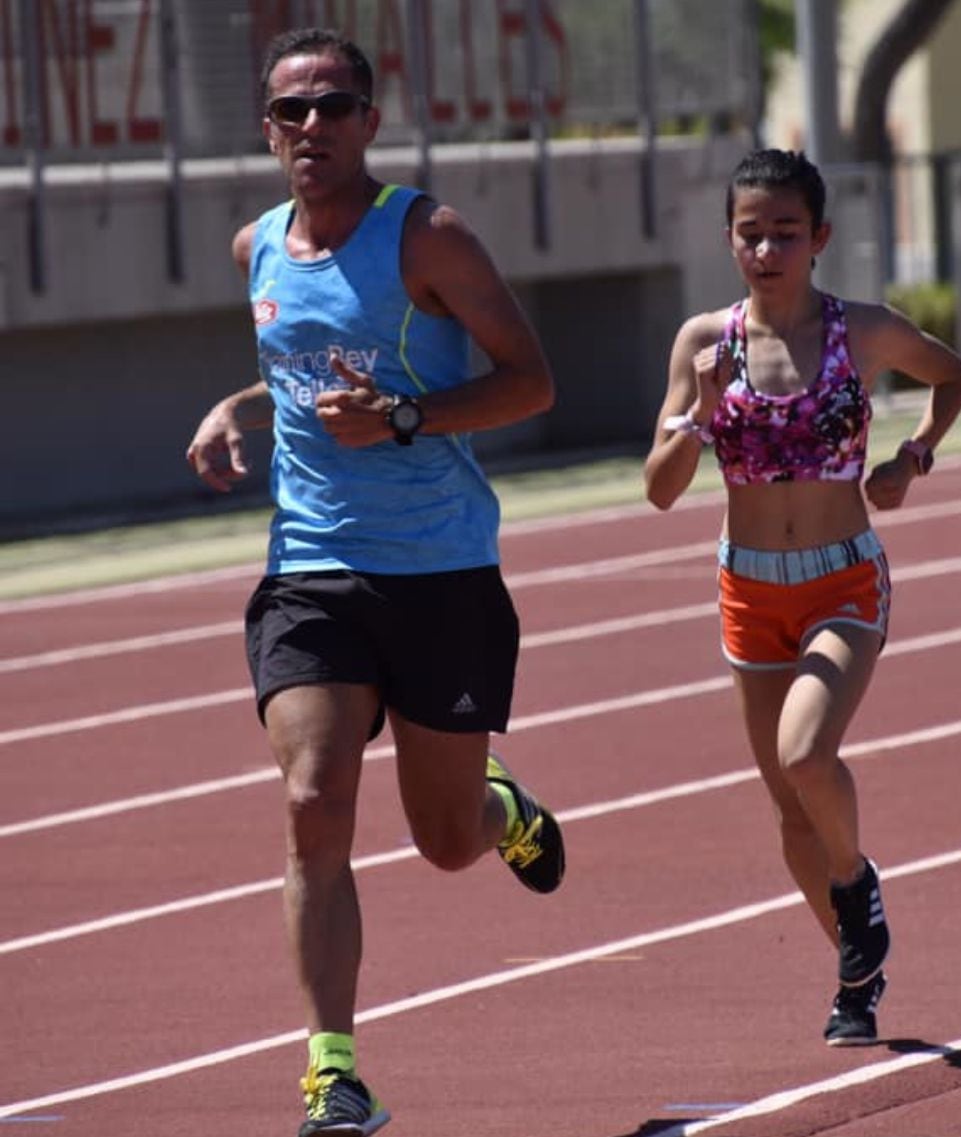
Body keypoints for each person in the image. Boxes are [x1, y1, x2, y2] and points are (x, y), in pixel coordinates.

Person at [185, 27, 564, 1136]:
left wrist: (406, 417)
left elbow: (532, 383)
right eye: (291, 110)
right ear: (266, 127)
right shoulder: (255, 245)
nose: (312, 127)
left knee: (444, 842)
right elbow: (300, 374)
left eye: (333, 107)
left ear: (369, 121)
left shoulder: (428, 238)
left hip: (442, 570)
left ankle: (496, 805)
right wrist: (235, 408)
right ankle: (333, 1072)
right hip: (311, 570)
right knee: (312, 802)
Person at [644, 149, 961, 1047]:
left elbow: (955, 374)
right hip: (749, 590)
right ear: (728, 239)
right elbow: (661, 488)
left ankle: (856, 881)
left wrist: (911, 459)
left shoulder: (860, 331)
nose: (766, 248)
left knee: (805, 753)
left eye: (785, 231)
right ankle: (856, 973)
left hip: (842, 578)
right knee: (789, 808)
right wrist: (700, 413)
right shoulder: (702, 344)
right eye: (750, 232)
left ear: (819, 238)